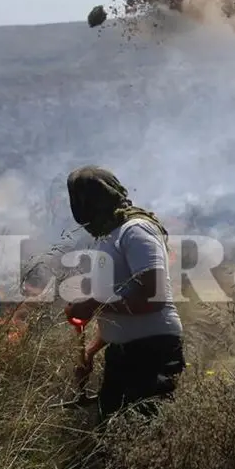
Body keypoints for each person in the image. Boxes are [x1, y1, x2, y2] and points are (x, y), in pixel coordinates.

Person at [63, 165, 185, 420]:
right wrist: (91, 350)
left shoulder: (135, 230)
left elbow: (152, 297)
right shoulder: (110, 237)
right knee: (112, 441)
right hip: (123, 355)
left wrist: (92, 305)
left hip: (152, 354)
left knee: (143, 439)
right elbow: (120, 305)